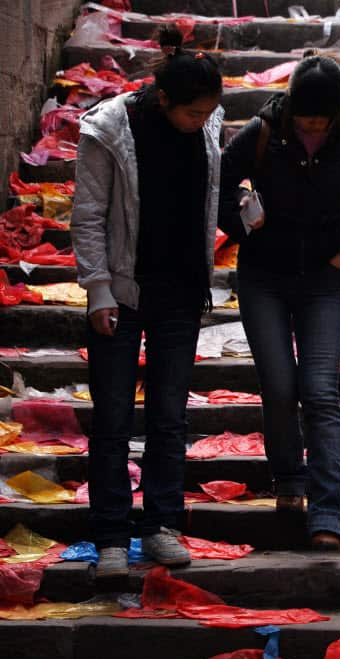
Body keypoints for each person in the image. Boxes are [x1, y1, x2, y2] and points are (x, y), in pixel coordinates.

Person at [72, 27, 224, 581]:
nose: (202, 124)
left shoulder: (207, 125)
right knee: (112, 419)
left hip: (181, 292)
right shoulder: (110, 130)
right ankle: (111, 533)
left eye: (210, 114)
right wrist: (97, 289)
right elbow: (88, 214)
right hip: (121, 291)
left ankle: (161, 523)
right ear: (165, 101)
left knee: (168, 417)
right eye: (193, 114)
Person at [218, 56, 340, 550]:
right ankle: (289, 481)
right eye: (306, 117)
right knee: (280, 386)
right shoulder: (264, 132)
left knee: (321, 392)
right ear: (291, 108)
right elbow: (218, 183)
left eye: (320, 118)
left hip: (321, 282)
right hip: (263, 276)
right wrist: (242, 220)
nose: (312, 125)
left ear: (335, 112)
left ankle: (328, 513)